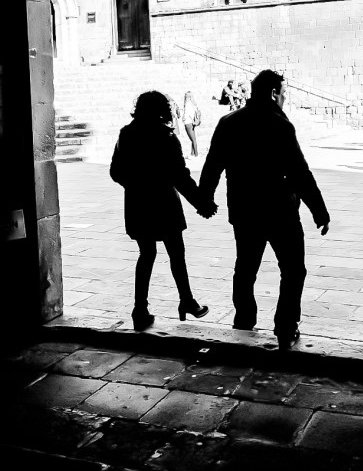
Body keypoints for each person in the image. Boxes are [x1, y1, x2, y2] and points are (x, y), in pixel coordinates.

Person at [199, 69, 330, 351]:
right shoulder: (280, 125)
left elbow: (212, 164)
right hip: (280, 210)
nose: (284, 99)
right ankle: (285, 325)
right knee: (293, 269)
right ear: (273, 93)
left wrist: (205, 199)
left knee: (245, 269)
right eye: (283, 94)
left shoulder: (228, 122)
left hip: (244, 209)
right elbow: (299, 172)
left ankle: (244, 321)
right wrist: (319, 211)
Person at [109, 90, 217, 330]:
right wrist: (202, 203)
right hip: (164, 203)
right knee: (176, 253)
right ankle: (186, 300)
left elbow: (115, 172)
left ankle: (140, 309)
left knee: (146, 254)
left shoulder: (126, 134)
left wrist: (136, 185)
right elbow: (181, 177)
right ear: (162, 111)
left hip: (138, 204)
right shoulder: (166, 137)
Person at [182, 91, 200, 157]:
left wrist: (183, 118)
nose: (185, 97)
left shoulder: (187, 104)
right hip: (192, 123)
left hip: (188, 122)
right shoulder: (193, 104)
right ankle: (192, 154)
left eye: (185, 96)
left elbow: (186, 114)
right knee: (193, 139)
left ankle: (196, 154)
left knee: (193, 140)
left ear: (188, 97)